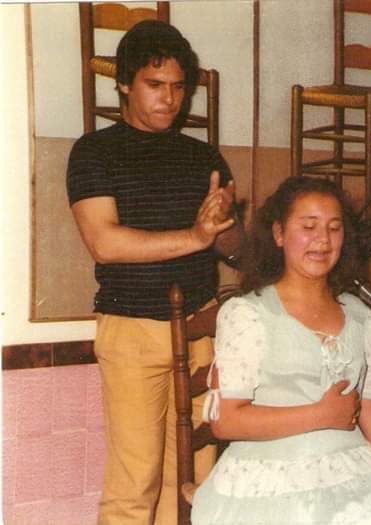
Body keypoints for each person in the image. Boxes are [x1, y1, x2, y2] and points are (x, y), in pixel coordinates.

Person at [66, 20, 244, 525]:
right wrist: (195, 236)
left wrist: (225, 224)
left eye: (178, 87)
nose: (169, 99)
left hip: (201, 328)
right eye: (154, 84)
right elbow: (105, 243)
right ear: (124, 82)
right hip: (132, 330)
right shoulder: (94, 151)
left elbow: (236, 252)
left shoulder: (203, 156)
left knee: (194, 482)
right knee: (135, 485)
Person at [191, 177, 371, 524]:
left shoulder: (364, 317)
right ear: (279, 234)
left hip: (351, 470)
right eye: (308, 227)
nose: (323, 240)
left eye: (334, 228)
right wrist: (320, 415)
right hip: (268, 478)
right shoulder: (247, 314)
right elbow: (225, 422)